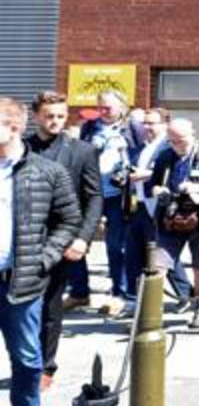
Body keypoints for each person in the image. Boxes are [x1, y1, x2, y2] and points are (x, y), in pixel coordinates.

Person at [0, 97, 82, 406]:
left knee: (27, 359)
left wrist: (42, 259)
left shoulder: (47, 172)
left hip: (21, 284)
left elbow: (69, 220)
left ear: (13, 127)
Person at [24, 91, 103, 392]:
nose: (55, 121)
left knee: (49, 305)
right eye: (49, 116)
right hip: (22, 238)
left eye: (60, 115)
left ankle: (45, 365)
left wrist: (83, 238)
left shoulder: (82, 151)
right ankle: (24, 360)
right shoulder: (21, 148)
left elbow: (93, 197)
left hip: (62, 239)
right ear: (36, 117)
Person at [149, 119, 199, 329]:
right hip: (171, 216)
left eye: (181, 140)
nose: (177, 145)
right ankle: (150, 314)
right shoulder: (165, 155)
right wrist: (158, 190)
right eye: (172, 141)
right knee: (157, 265)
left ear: (193, 133)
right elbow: (154, 184)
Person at [77, 89, 137, 311]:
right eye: (100, 107)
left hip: (118, 195)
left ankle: (118, 292)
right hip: (91, 192)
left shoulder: (132, 128)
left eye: (108, 108)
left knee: (115, 245)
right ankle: (79, 291)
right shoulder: (89, 127)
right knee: (76, 240)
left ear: (122, 108)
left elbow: (140, 154)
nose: (103, 111)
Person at [118, 107, 170, 318]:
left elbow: (169, 171)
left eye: (152, 123)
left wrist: (145, 175)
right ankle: (132, 300)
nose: (146, 127)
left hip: (156, 207)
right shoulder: (143, 147)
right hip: (137, 205)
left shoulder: (168, 146)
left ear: (164, 124)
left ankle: (183, 295)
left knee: (158, 256)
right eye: (145, 123)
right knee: (133, 254)